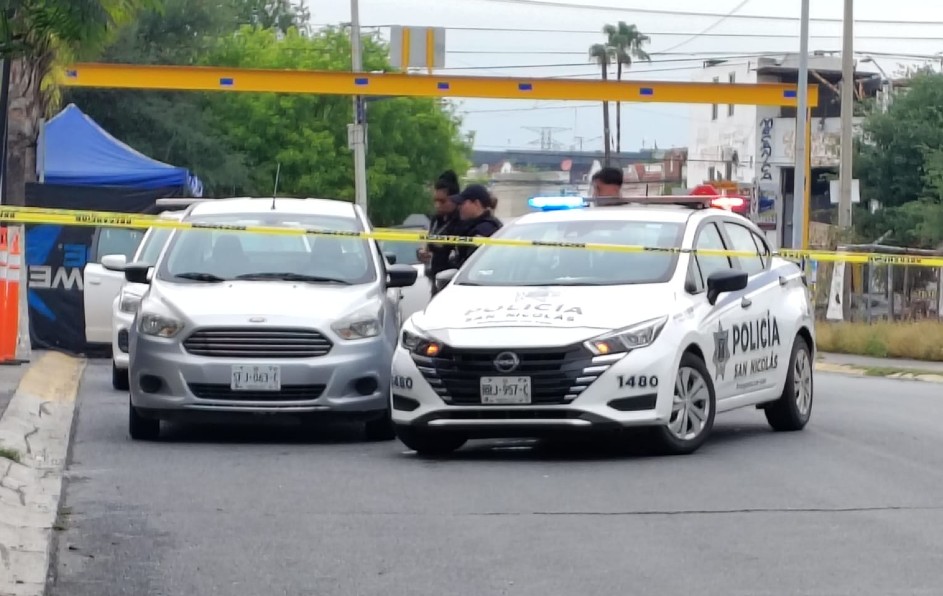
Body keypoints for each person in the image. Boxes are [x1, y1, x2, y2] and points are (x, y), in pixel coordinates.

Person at [418, 170, 461, 295]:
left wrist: (440, 246)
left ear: (454, 199)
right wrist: (422, 252)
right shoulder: (436, 220)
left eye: (442, 201)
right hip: (434, 280)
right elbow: (427, 243)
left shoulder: (461, 222)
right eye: (435, 201)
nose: (437, 205)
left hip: (452, 284)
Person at [448, 184, 502, 270]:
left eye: (463, 203)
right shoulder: (470, 226)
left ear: (476, 203)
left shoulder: (485, 229)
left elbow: (471, 266)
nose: (459, 207)